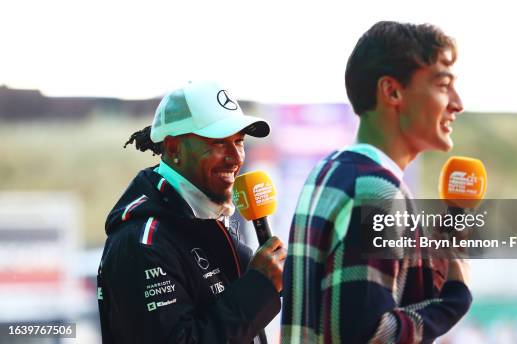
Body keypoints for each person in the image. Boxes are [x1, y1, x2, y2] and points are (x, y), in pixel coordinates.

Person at [281, 21, 472, 343]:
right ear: (392, 91)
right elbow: (367, 334)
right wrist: (452, 301)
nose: (458, 103)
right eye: (442, 85)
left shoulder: (331, 170)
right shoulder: (378, 191)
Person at [97, 80, 286, 344]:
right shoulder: (143, 243)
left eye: (239, 141)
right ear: (174, 148)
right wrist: (258, 289)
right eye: (219, 142)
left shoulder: (205, 217)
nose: (235, 158)